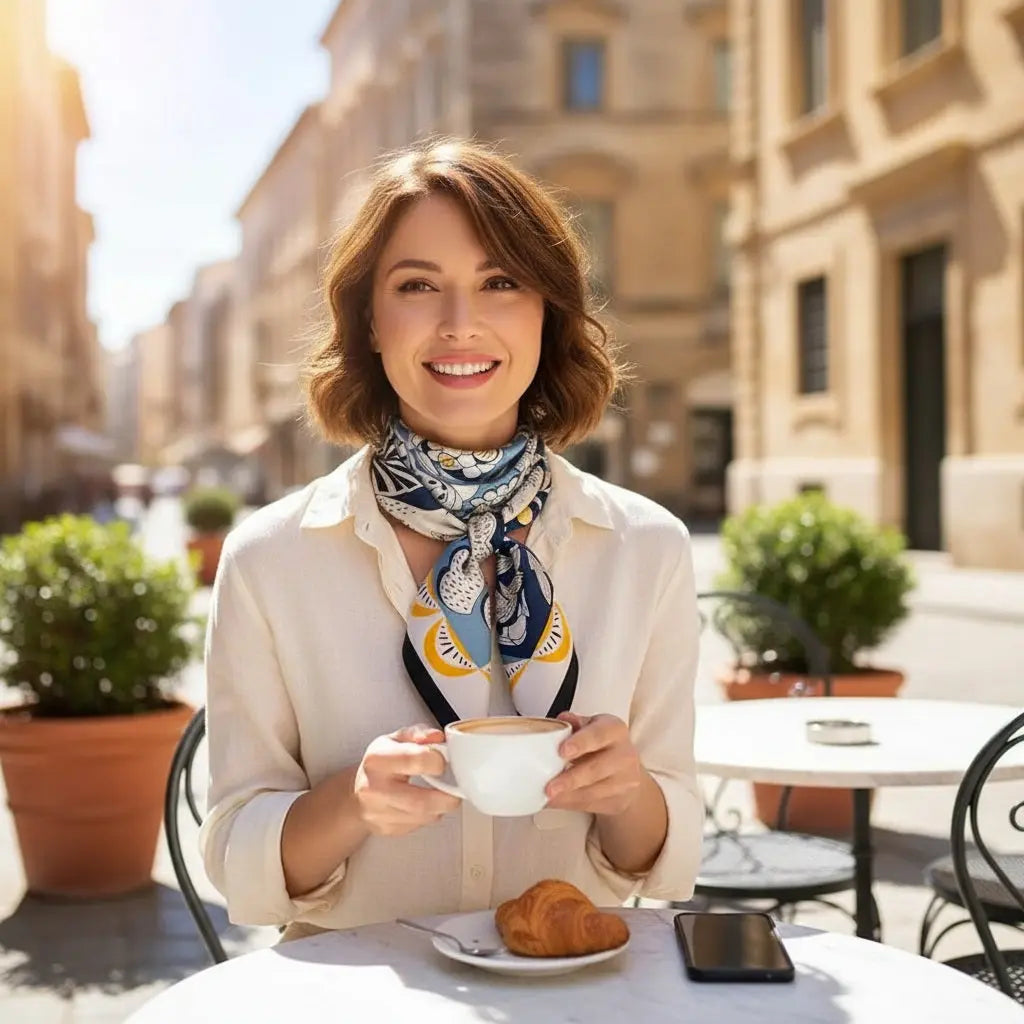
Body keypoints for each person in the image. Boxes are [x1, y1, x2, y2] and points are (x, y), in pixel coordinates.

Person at [200, 139, 703, 939]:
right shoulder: (270, 559)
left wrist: (627, 791)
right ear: (370, 320)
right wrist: (351, 803)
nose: (460, 325)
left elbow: (660, 858)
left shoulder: (648, 549)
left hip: (573, 988)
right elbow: (237, 859)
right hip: (352, 993)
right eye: (417, 286)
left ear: (547, 312)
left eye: (501, 283)